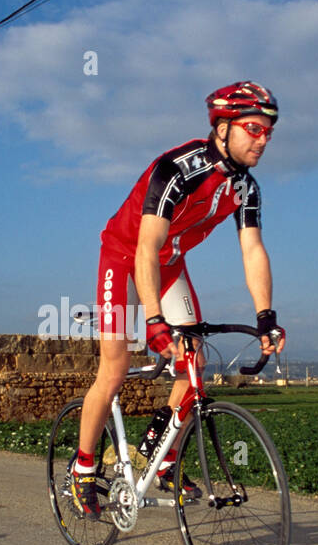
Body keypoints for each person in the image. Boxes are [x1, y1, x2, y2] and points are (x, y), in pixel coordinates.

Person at [71, 81, 287, 517]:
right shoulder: (177, 170)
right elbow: (146, 247)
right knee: (113, 369)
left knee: (194, 365)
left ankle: (163, 457)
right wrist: (153, 318)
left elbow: (252, 250)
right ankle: (83, 467)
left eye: (268, 131)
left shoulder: (246, 187)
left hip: (168, 263)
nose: (262, 140)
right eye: (253, 128)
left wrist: (266, 316)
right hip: (124, 255)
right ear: (222, 128)